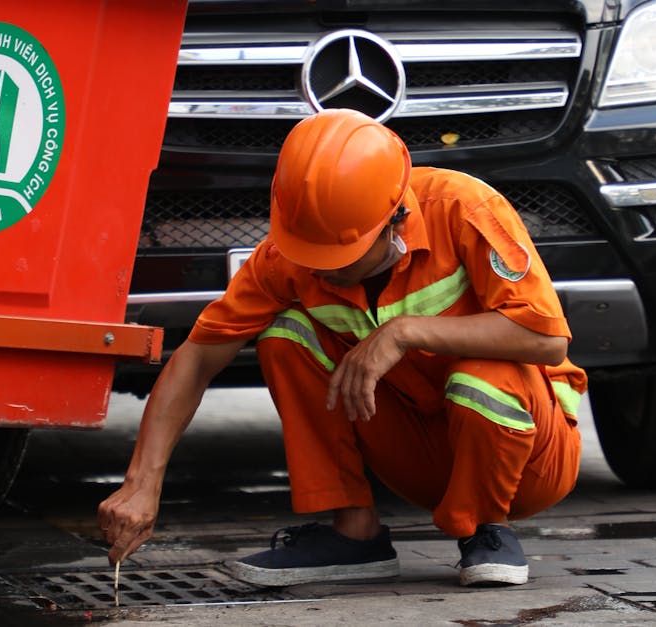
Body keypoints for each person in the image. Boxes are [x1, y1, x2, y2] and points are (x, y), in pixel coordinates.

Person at [97, 108, 587, 588]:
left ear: (395, 221)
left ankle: (488, 528)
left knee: (484, 373)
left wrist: (402, 332)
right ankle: (355, 534)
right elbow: (199, 355)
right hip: (418, 460)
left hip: (531, 461)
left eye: (340, 257)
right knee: (285, 334)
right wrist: (142, 483)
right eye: (312, 255)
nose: (321, 271)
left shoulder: (463, 209)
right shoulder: (292, 253)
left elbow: (546, 339)